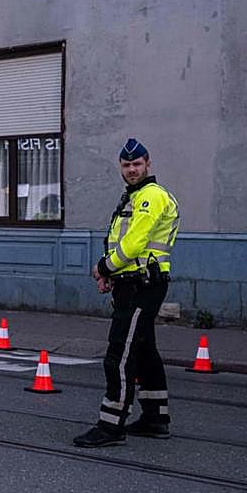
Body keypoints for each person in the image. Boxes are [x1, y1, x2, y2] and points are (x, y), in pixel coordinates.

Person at [74, 138, 180, 448]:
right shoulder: (132, 196)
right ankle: (155, 418)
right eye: (126, 165)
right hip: (132, 283)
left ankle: (111, 426)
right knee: (144, 351)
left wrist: (103, 268)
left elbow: (133, 244)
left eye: (137, 164)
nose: (131, 169)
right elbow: (121, 243)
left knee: (119, 354)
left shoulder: (151, 197)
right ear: (120, 167)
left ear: (148, 164)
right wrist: (112, 275)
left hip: (142, 286)